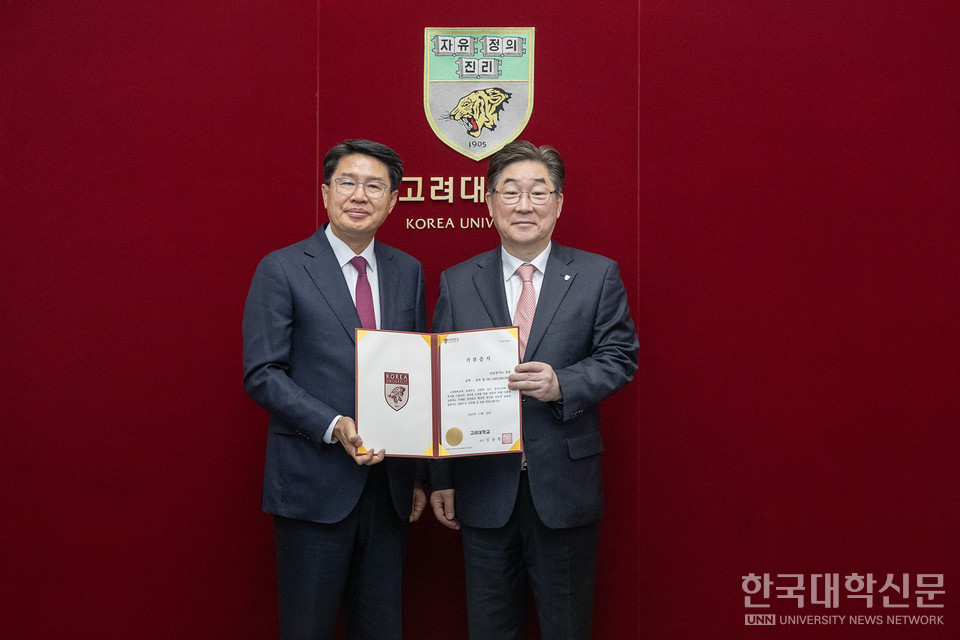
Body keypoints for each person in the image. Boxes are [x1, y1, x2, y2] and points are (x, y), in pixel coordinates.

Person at [429, 140, 639, 639]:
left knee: (566, 627)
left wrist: (561, 383)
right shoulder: (458, 282)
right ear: (488, 201)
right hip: (483, 485)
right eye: (511, 192)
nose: (524, 205)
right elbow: (438, 380)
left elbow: (620, 357)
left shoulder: (596, 275)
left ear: (559, 202)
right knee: (489, 627)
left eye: (538, 192)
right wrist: (439, 475)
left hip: (563, 486)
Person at [243, 139, 427, 640]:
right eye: (348, 182)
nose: (359, 195)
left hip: (387, 488)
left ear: (393, 200)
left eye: (375, 185)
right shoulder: (281, 268)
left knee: (381, 627)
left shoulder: (408, 271)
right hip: (313, 483)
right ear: (325, 193)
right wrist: (332, 425)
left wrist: (416, 473)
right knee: (308, 627)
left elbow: (415, 371)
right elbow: (262, 373)